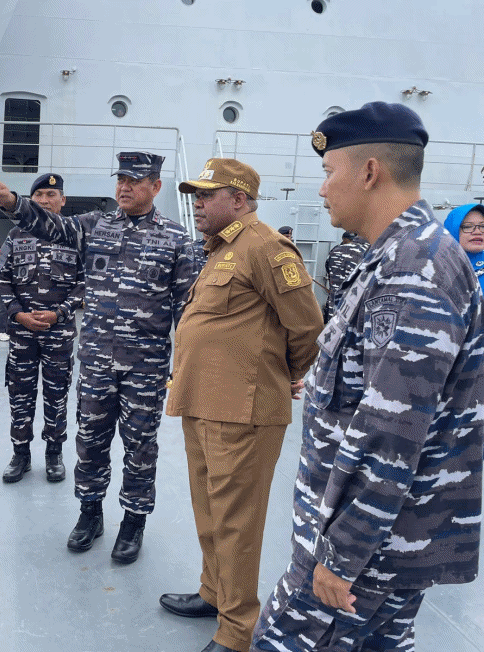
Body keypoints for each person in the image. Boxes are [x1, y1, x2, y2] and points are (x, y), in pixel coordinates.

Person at [252, 102, 484, 651]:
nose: (323, 190)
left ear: (369, 172)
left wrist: (340, 558)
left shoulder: (414, 269)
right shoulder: (400, 255)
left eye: (329, 173)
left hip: (365, 554)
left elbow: (391, 433)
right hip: (381, 542)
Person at [0, 151, 198, 564]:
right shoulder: (93, 226)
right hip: (96, 361)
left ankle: (133, 521)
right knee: (91, 440)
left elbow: (189, 310)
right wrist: (10, 202)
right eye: (121, 179)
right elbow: (48, 224)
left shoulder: (175, 239)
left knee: (139, 446)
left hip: (145, 367)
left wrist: (186, 366)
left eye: (136, 181)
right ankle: (89, 513)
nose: (125, 187)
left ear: (156, 186)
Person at [160, 158, 324, 652]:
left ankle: (237, 631)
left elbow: (307, 328)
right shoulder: (220, 250)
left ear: (239, 198)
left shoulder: (267, 247)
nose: (198, 202)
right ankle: (214, 594)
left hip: (244, 412)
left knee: (237, 523)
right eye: (196, 194)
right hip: (203, 403)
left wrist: (285, 375)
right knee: (208, 511)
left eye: (207, 194)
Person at [0, 173, 84, 484]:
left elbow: (86, 284)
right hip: (22, 334)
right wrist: (18, 315)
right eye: (39, 195)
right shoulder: (15, 237)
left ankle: (54, 452)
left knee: (57, 394)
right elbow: (1, 279)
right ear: (31, 201)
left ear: (62, 200)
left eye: (50, 194)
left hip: (59, 334)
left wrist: (59, 313)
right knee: (20, 393)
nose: (44, 200)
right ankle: (20, 454)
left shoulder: (76, 236)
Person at [323, 231, 368, 320]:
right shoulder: (365, 250)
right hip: (354, 296)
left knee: (332, 321)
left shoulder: (335, 250)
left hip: (335, 295)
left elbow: (327, 267)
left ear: (344, 239)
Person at [444, 203, 484, 294]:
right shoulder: (434, 268)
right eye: (467, 226)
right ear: (451, 229)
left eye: (483, 226)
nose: (477, 232)